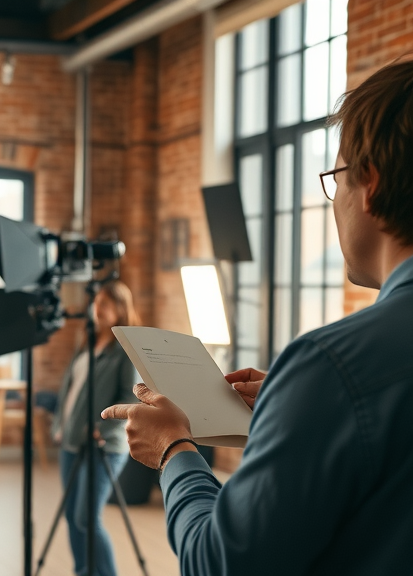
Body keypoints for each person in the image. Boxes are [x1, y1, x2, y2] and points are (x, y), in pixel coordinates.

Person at [102, 59, 413, 576]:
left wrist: (174, 448)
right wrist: (296, 403)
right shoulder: (332, 380)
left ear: (371, 185)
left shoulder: (332, 365)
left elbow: (217, 562)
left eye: (336, 178)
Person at [52, 280, 139, 576]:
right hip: (71, 441)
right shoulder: (86, 341)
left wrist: (102, 426)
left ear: (120, 309)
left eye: (104, 303)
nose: (96, 308)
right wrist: (60, 424)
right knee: (71, 517)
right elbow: (70, 387)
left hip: (103, 446)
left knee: (86, 518)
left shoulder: (125, 350)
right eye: (96, 302)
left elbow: (131, 397)